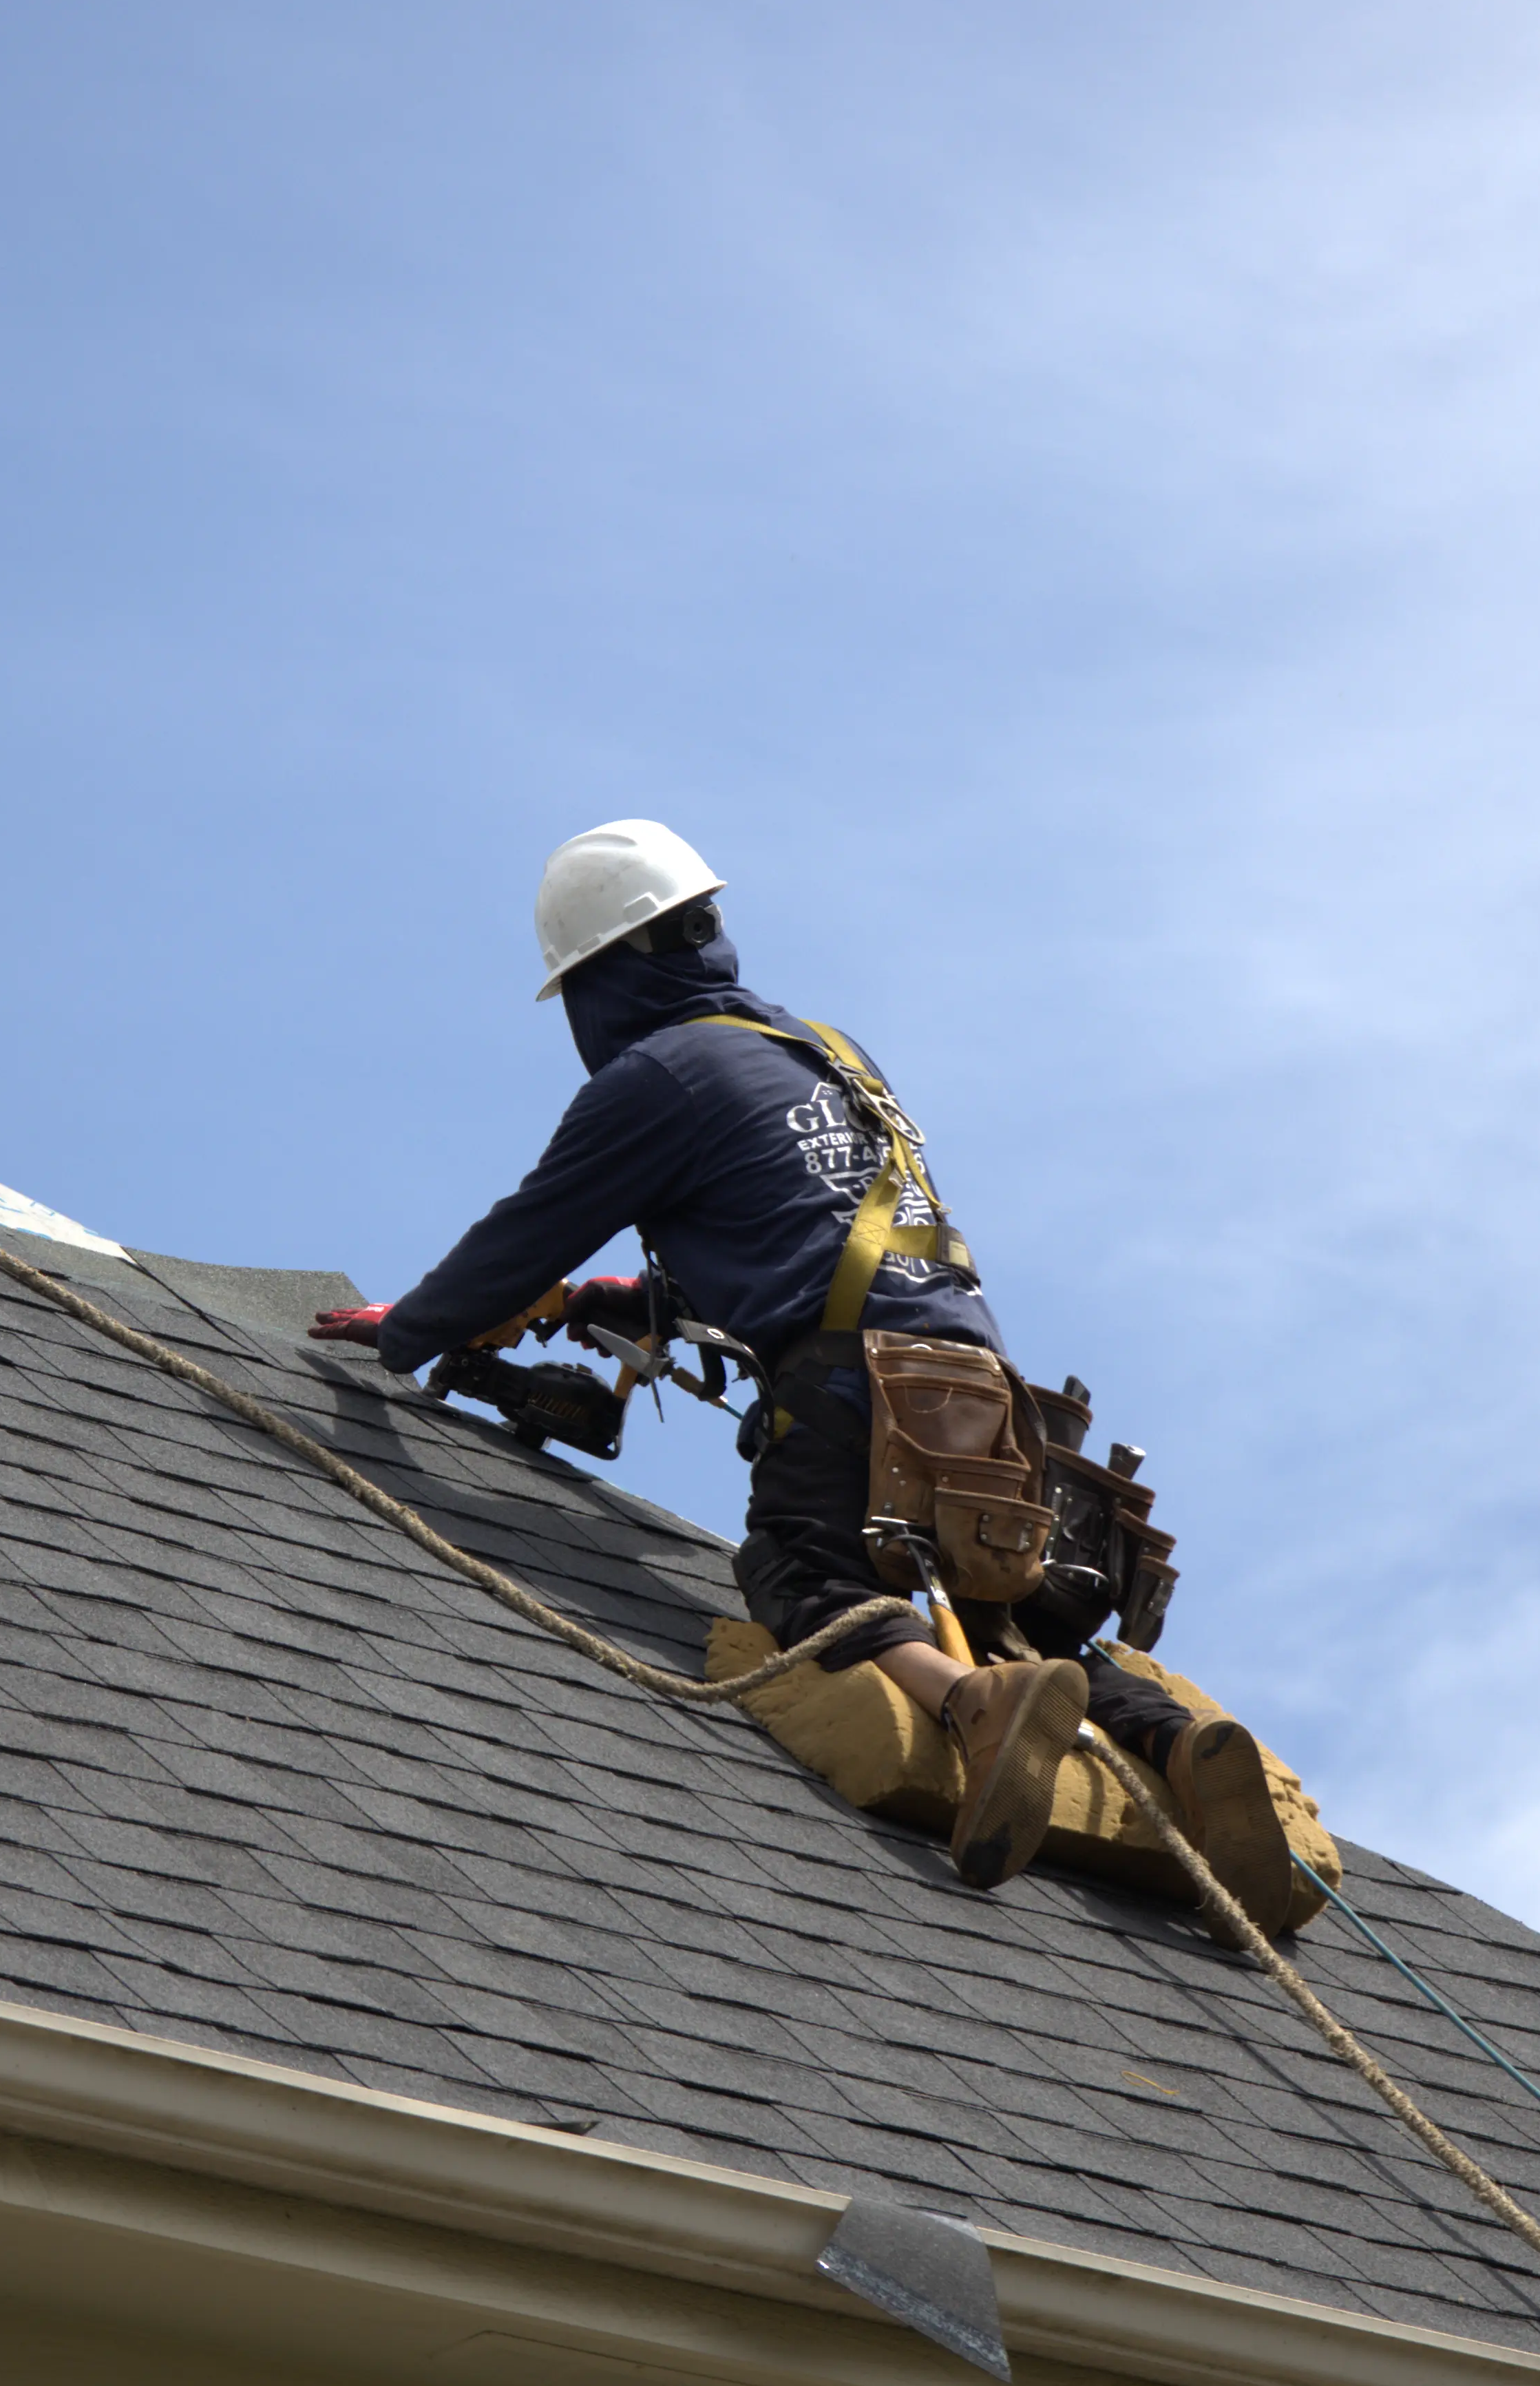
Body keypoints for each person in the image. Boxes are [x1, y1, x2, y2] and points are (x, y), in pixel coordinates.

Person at [311, 819, 1307, 1924]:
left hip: (848, 1384)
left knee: (805, 1572)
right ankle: (1179, 1749)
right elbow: (802, 1229)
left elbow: (527, 1234)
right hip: (984, 1387)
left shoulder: (655, 1076)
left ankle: (974, 1702)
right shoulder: (827, 1052)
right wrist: (622, 1304)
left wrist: (404, 1330)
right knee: (1027, 1613)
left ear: (604, 974)